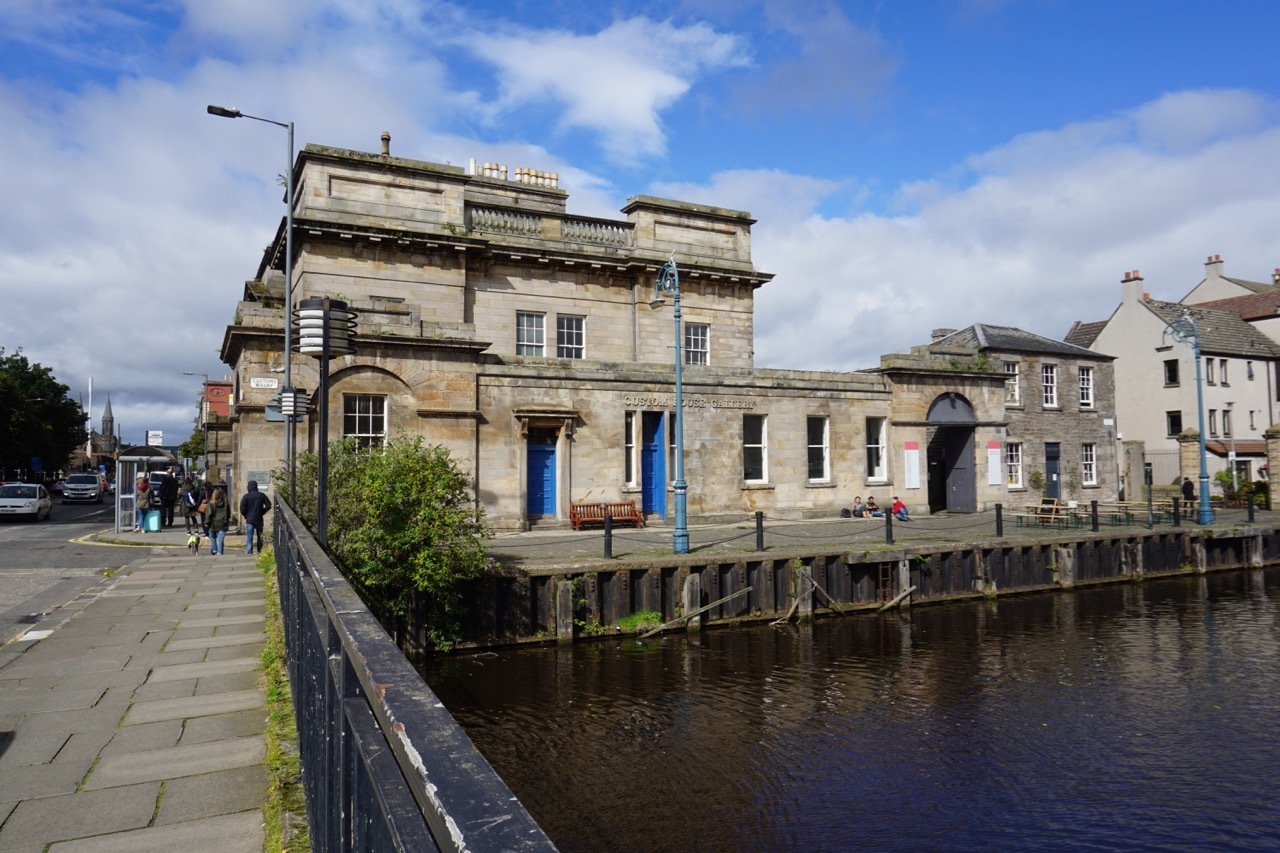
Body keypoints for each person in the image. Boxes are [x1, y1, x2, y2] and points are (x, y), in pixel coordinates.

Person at [239, 480, 272, 555]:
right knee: (260, 536)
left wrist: (246, 515)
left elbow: (242, 509)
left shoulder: (246, 496)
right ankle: (259, 550)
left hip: (250, 519)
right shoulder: (261, 495)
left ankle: (249, 551)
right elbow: (268, 505)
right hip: (259, 518)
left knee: (249, 536)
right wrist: (262, 512)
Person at [204, 487, 231, 556]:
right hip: (223, 523)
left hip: (213, 523)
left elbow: (209, 514)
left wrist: (206, 522)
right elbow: (228, 513)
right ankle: (220, 552)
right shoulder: (226, 503)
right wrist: (227, 520)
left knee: (212, 537)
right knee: (220, 539)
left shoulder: (211, 503)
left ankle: (214, 549)